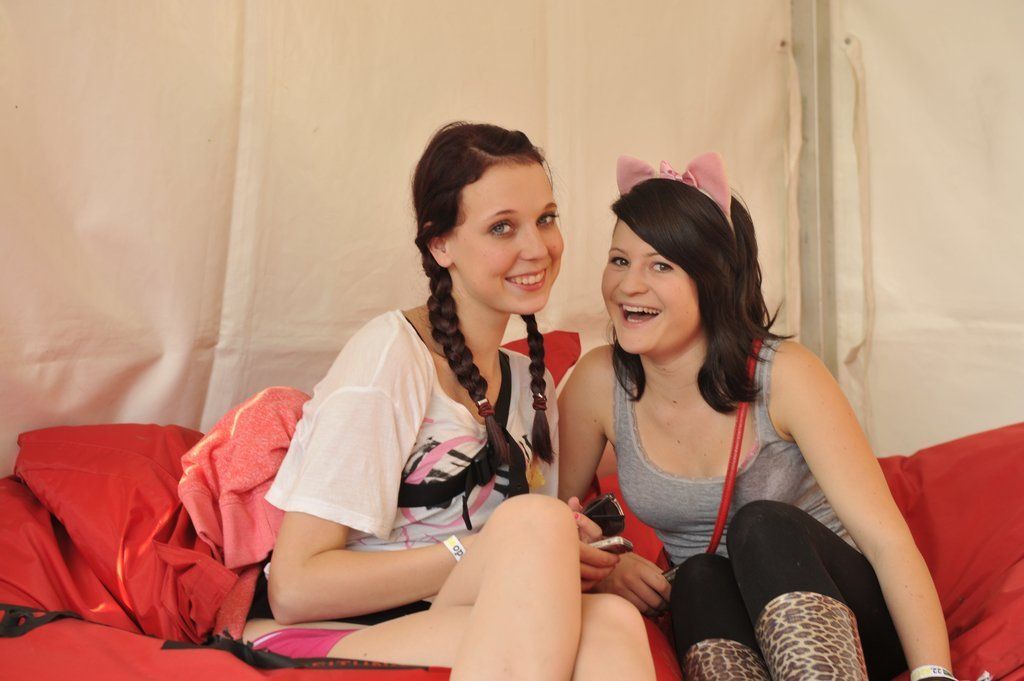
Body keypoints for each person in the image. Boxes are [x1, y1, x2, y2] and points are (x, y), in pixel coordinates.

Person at [242, 122, 656, 681]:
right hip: (337, 629)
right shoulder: (390, 360)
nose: (537, 248)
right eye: (502, 227)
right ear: (440, 244)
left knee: (614, 620)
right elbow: (295, 588)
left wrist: (571, 553)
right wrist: (475, 549)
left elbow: (521, 556)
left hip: (453, 613)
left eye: (546, 219)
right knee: (537, 525)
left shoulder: (526, 382)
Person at [558, 152, 954, 680]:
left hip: (846, 620)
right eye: (619, 260)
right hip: (728, 617)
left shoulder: (785, 375)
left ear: (713, 278)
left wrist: (933, 674)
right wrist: (605, 567)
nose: (629, 285)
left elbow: (887, 542)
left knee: (760, 525)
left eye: (661, 265)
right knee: (697, 575)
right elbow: (551, 521)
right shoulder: (598, 382)